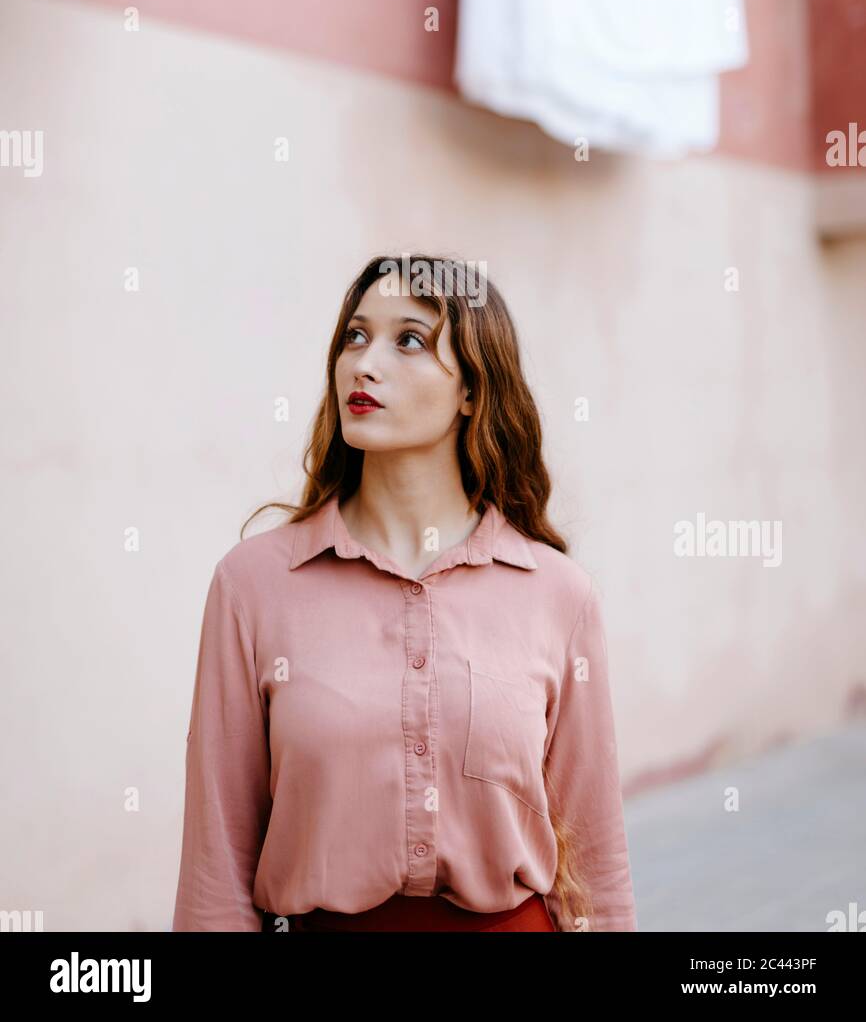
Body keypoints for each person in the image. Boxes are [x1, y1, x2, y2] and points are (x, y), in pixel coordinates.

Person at [171, 253, 638, 932]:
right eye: (354, 337)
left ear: (473, 390)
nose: (363, 363)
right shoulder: (253, 586)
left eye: (409, 340)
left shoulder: (559, 595)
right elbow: (215, 870)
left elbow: (597, 863)